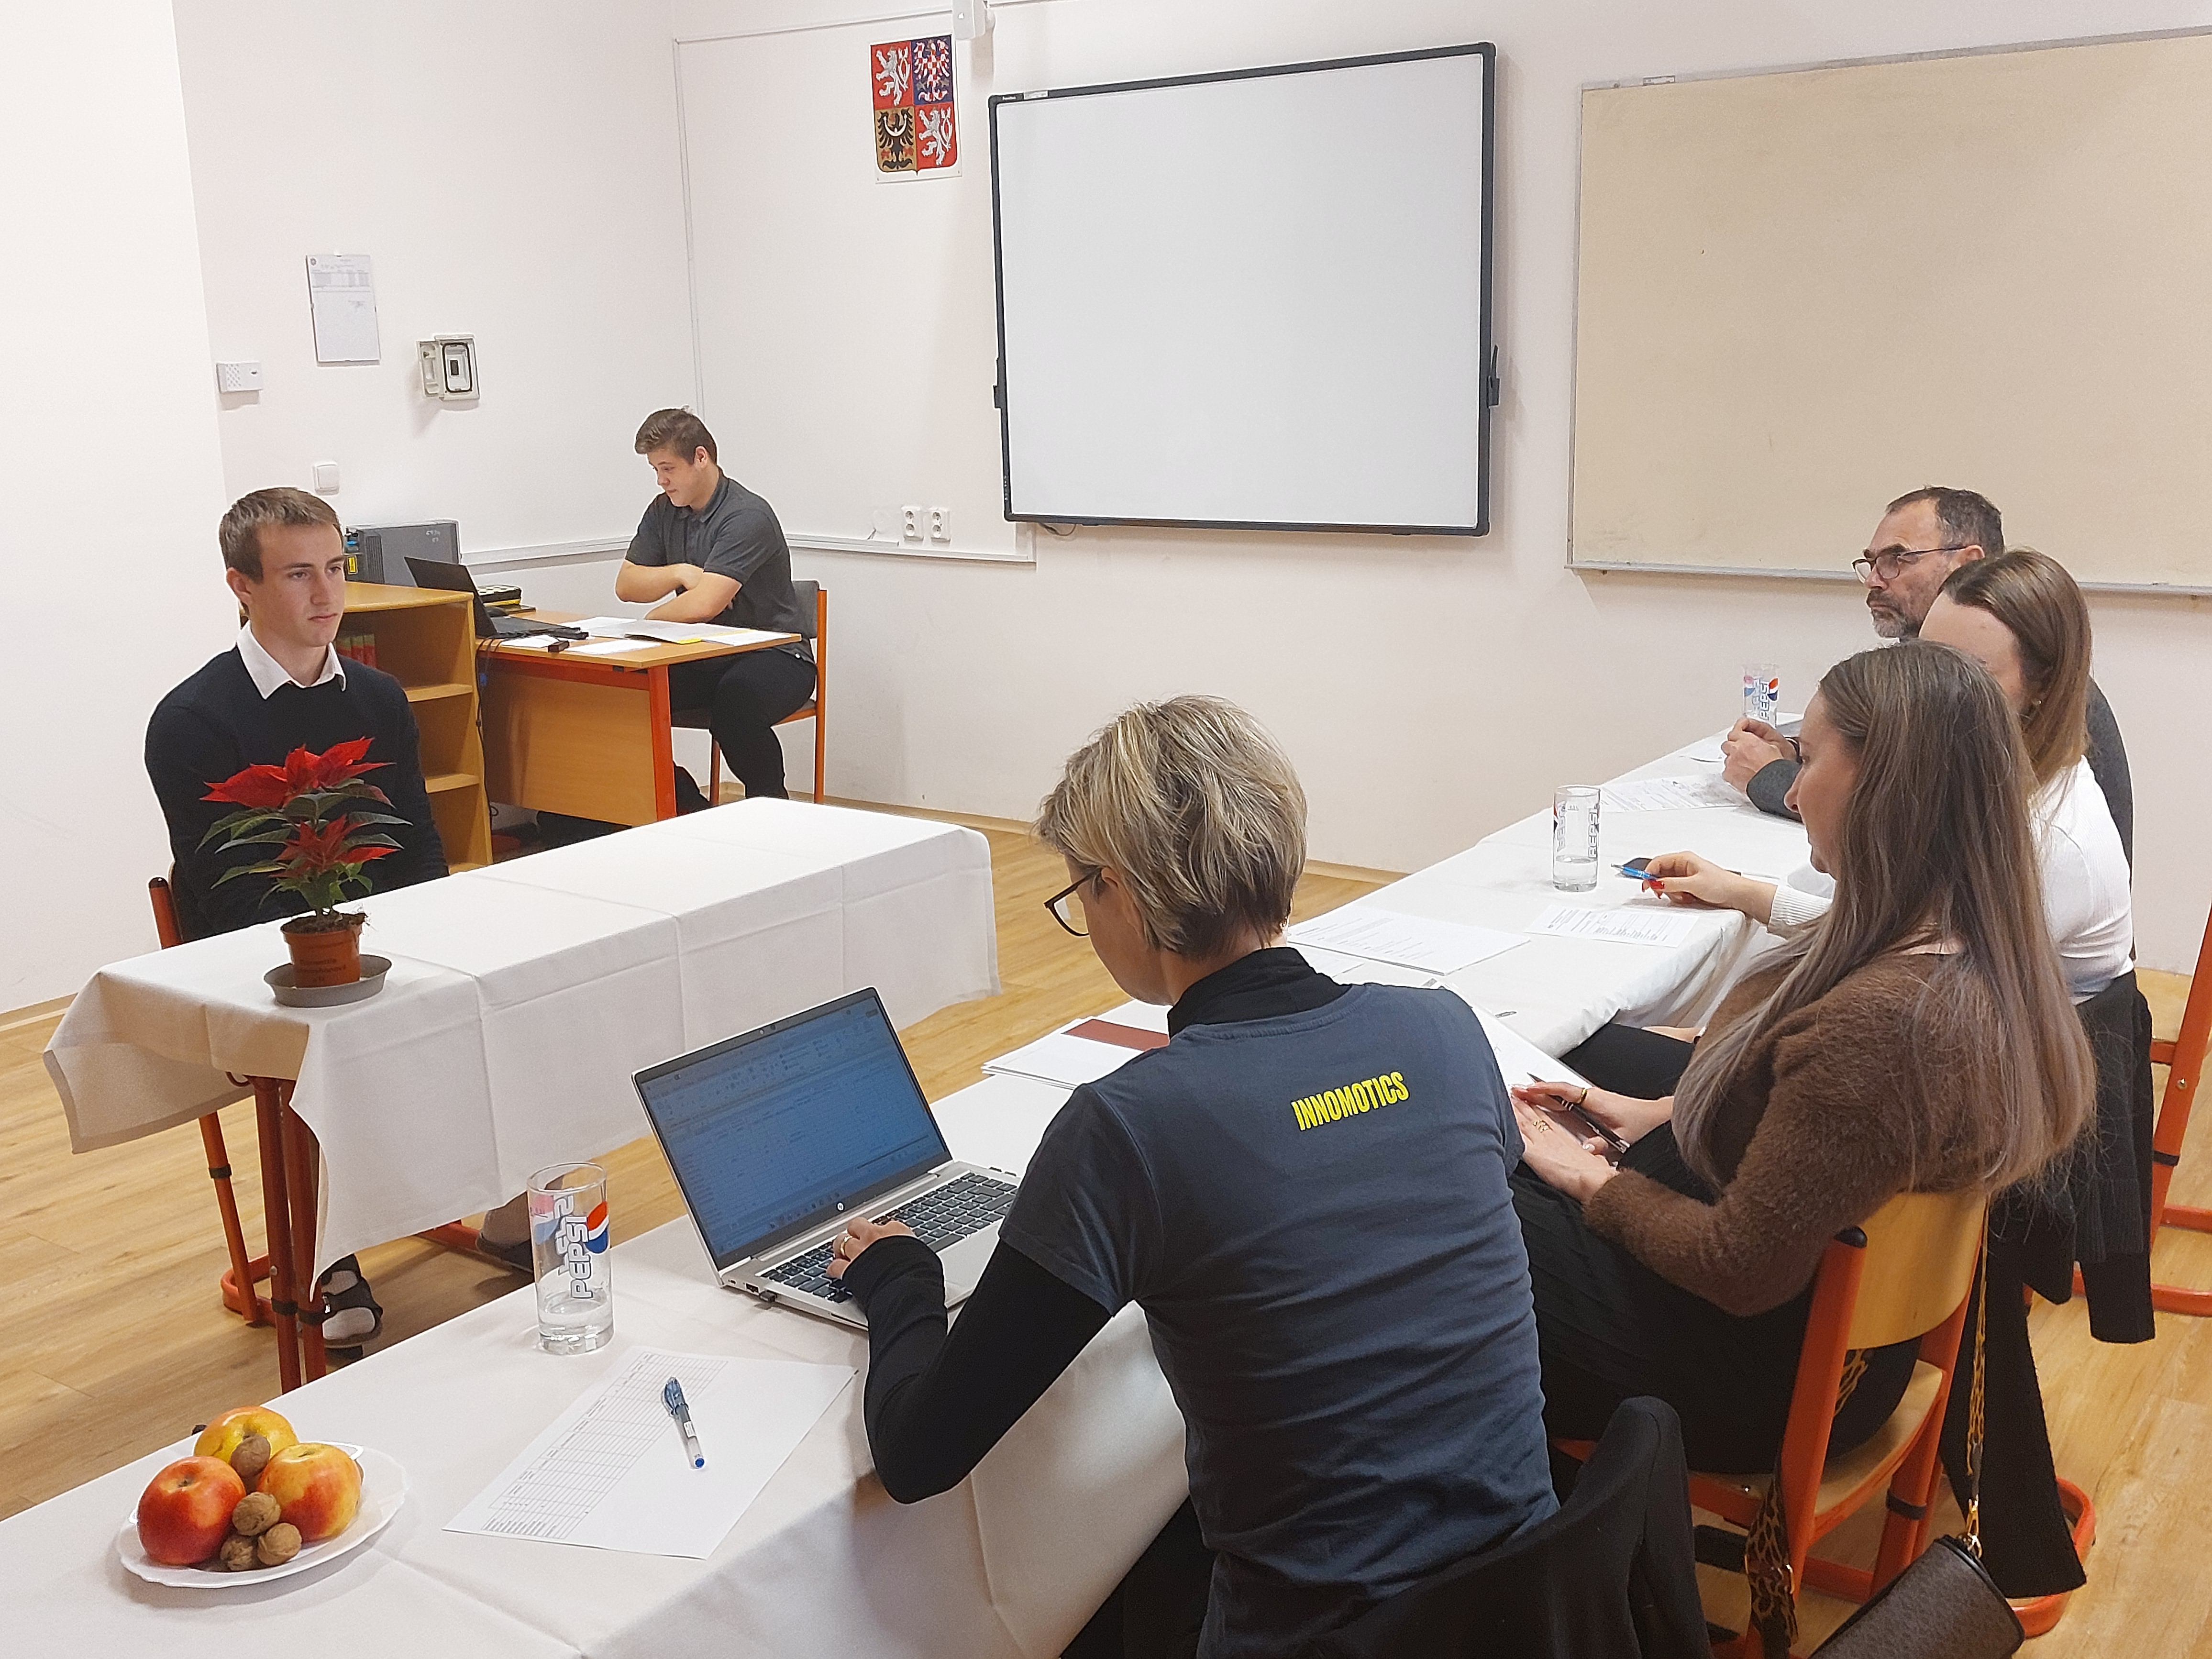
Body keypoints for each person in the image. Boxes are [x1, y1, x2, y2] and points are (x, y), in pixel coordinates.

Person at [825, 697, 1556, 1658]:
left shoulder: (1127, 1128)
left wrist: (900, 1279)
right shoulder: (1443, 1029)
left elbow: (920, 1455)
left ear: (1123, 894)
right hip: (1534, 1603)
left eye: (1077, 893)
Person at [1511, 643, 2094, 1474]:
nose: (1789, 792)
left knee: (1429, 1227)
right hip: (1809, 1334)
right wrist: (1657, 1117)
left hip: (1766, 1375)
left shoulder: (1885, 1030)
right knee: (1502, 1150)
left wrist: (1590, 1180)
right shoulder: (1959, 943)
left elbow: (1738, 1267)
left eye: (1809, 760)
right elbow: (1822, 1144)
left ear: (1884, 786)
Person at [144, 487, 453, 1351]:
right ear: (241, 585)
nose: (326, 594)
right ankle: (330, 1250)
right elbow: (229, 888)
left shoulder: (379, 697)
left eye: (333, 569)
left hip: (380, 937)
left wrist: (439, 938)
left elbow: (417, 840)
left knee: (504, 993)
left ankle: (499, 1197)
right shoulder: (192, 720)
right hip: (268, 958)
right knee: (329, 1038)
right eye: (296, 575)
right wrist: (340, 961)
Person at [1641, 551, 2131, 1004]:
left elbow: (1911, 965)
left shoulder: (2050, 841)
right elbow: (1901, 934)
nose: (1932, 691)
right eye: (1924, 660)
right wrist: (1739, 891)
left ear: (2043, 684)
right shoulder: (1981, 769)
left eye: (1971, 673)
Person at [1722, 487, 2134, 861]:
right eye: (1872, 563)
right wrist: (1805, 752)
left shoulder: (2047, 694)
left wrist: (1769, 777)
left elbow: (1906, 820)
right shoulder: (1931, 659)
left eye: (1897, 559)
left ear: (1967, 564)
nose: (1874, 580)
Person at [614, 408, 815, 805]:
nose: (661, 480)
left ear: (701, 457)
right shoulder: (663, 510)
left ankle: (771, 807)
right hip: (704, 653)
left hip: (776, 654)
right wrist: (679, 572)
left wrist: (652, 620)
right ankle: (685, 806)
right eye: (655, 470)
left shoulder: (747, 515)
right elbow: (627, 584)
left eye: (668, 469)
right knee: (623, 699)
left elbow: (705, 604)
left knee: (736, 705)